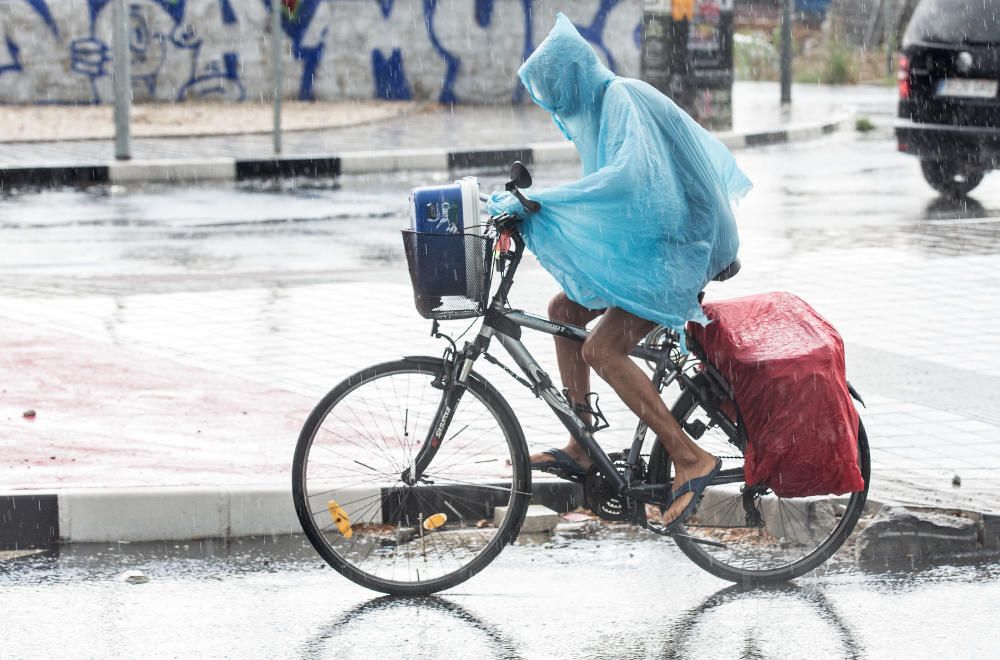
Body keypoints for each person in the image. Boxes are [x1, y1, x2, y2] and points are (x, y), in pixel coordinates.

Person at [487, 14, 752, 530]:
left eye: (557, 93)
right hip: (664, 239)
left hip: (684, 245)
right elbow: (615, 196)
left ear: (573, 78)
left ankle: (690, 456)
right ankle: (582, 443)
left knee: (602, 347)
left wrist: (539, 202)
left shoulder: (621, 101)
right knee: (563, 309)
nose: (558, 106)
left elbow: (628, 183)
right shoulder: (605, 109)